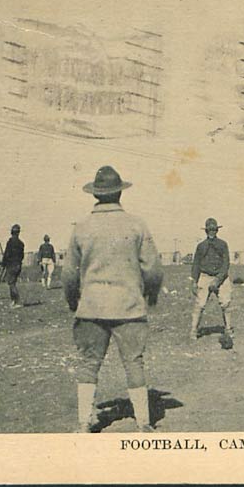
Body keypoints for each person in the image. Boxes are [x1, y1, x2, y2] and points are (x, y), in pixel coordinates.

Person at [63, 166, 163, 433]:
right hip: (129, 307)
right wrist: (150, 294)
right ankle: (143, 422)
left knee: (88, 363)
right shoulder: (136, 225)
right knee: (134, 362)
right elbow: (152, 268)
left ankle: (84, 423)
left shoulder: (81, 228)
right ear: (120, 192)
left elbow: (69, 274)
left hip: (91, 308)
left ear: (95, 194)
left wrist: (74, 301)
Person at [189, 218, 232, 341]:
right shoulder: (201, 246)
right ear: (206, 231)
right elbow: (196, 264)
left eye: (214, 229)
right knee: (200, 304)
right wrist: (194, 281)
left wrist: (218, 279)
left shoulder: (223, 244)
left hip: (221, 277)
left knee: (226, 303)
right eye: (209, 230)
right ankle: (193, 330)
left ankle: (228, 328)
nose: (212, 232)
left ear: (217, 230)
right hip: (205, 276)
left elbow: (226, 263)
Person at [2, 224, 25, 308]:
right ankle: (13, 301)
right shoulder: (21, 243)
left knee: (11, 284)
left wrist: (3, 263)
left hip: (11, 265)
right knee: (13, 283)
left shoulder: (10, 242)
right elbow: (22, 256)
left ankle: (17, 301)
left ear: (12, 232)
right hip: (18, 265)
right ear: (18, 233)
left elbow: (6, 254)